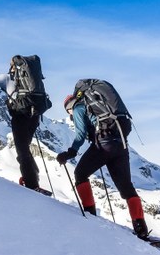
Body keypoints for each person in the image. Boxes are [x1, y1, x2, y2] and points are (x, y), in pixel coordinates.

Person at [56, 94, 149, 239]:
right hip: (121, 145)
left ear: (69, 107)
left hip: (104, 145)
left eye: (68, 112)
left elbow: (80, 134)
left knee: (80, 174)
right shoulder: (101, 108)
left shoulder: (79, 108)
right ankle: (141, 228)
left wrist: (70, 152)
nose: (69, 115)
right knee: (126, 186)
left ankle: (89, 212)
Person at [0, 61, 49, 195]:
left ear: (13, 67)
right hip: (34, 116)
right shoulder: (32, 80)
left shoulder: (7, 78)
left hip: (19, 116)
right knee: (25, 147)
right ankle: (33, 176)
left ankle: (32, 185)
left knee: (22, 150)